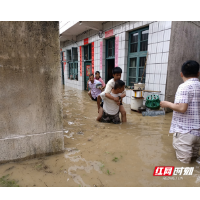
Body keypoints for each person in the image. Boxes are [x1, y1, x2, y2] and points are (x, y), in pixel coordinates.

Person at [160, 60, 200, 164]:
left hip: (184, 132)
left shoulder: (184, 86)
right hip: (198, 132)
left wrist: (167, 104)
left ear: (181, 74)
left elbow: (182, 108)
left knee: (183, 164)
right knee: (194, 160)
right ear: (198, 73)